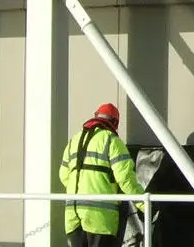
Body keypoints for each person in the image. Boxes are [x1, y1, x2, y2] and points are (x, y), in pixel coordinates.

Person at [59, 102, 143, 247]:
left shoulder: (74, 140)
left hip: (73, 215)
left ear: (96, 116)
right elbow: (125, 179)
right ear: (115, 123)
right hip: (100, 218)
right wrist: (144, 204)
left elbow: (64, 176)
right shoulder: (112, 140)